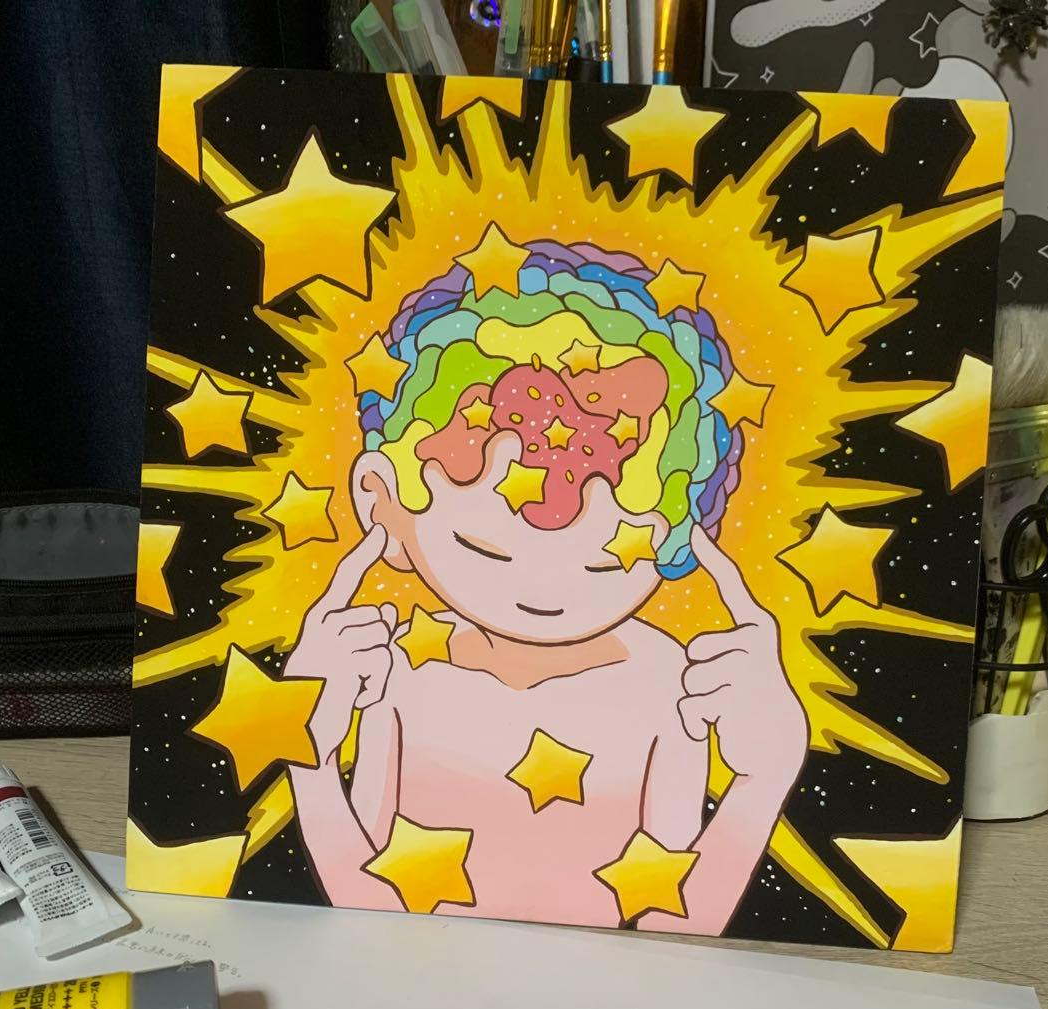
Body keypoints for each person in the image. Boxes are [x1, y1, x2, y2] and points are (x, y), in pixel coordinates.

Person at [286, 239, 808, 934]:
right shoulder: (401, 667)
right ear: (382, 502)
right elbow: (367, 909)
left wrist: (765, 774)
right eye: (485, 549)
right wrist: (308, 750)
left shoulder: (672, 682)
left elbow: (677, 925)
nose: (544, 593)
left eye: (604, 565)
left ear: (684, 536)